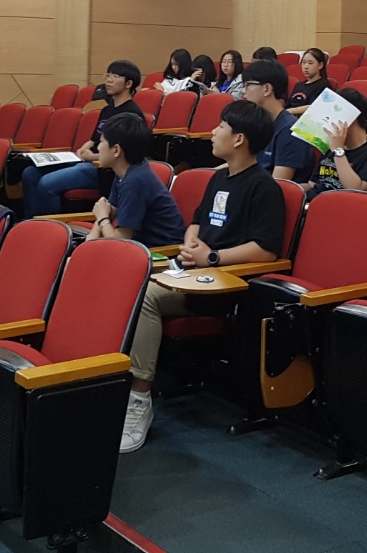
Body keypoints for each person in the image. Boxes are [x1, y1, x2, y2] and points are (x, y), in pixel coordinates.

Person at [122, 100, 285, 453]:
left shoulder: (264, 187)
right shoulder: (218, 177)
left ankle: (139, 399)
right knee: (125, 281)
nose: (212, 132)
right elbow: (197, 221)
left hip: (224, 284)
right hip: (195, 272)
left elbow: (265, 250)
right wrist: (191, 243)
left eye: (221, 127)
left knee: (146, 297)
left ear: (239, 139)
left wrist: (212, 257)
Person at [22, 60, 144, 218]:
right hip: (86, 161)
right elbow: (93, 139)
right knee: (30, 174)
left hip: (102, 168)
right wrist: (83, 149)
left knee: (47, 183)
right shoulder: (107, 110)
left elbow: (121, 154)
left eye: (115, 76)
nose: (108, 80)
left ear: (129, 84)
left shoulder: (132, 115)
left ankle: (50, 227)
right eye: (108, 75)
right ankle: (29, 223)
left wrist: (92, 156)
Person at [84, 113, 185, 247]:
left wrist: (102, 218)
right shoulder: (125, 171)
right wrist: (92, 237)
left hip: (162, 250)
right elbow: (109, 209)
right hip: (139, 245)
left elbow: (120, 243)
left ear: (116, 150)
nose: (98, 148)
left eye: (101, 142)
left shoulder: (135, 181)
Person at [304, 87, 367, 198]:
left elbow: (357, 190)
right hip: (315, 202)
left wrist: (338, 151)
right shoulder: (330, 145)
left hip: (343, 204)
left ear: (349, 117)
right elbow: (312, 185)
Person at [242, 58, 313, 181]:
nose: (243, 91)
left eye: (248, 85)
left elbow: (277, 184)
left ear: (267, 89)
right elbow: (242, 163)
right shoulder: (258, 123)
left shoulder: (290, 130)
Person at [286, 48, 332, 114]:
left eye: (310, 63)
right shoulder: (298, 85)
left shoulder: (323, 85)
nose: (306, 67)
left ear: (320, 65)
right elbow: (288, 105)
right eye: (303, 62)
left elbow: (314, 106)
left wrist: (289, 112)